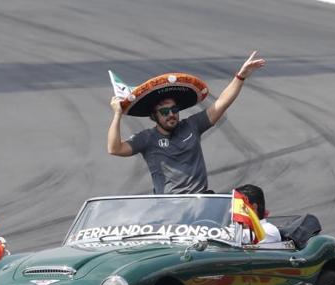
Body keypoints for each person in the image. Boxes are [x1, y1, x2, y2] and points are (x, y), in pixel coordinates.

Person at [107, 51, 266, 194]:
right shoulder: (146, 138)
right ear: (154, 116)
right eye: (164, 112)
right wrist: (117, 114)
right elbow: (114, 148)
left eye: (174, 109)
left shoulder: (192, 125)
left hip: (201, 203)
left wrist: (241, 76)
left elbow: (221, 103)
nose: (171, 114)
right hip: (168, 208)